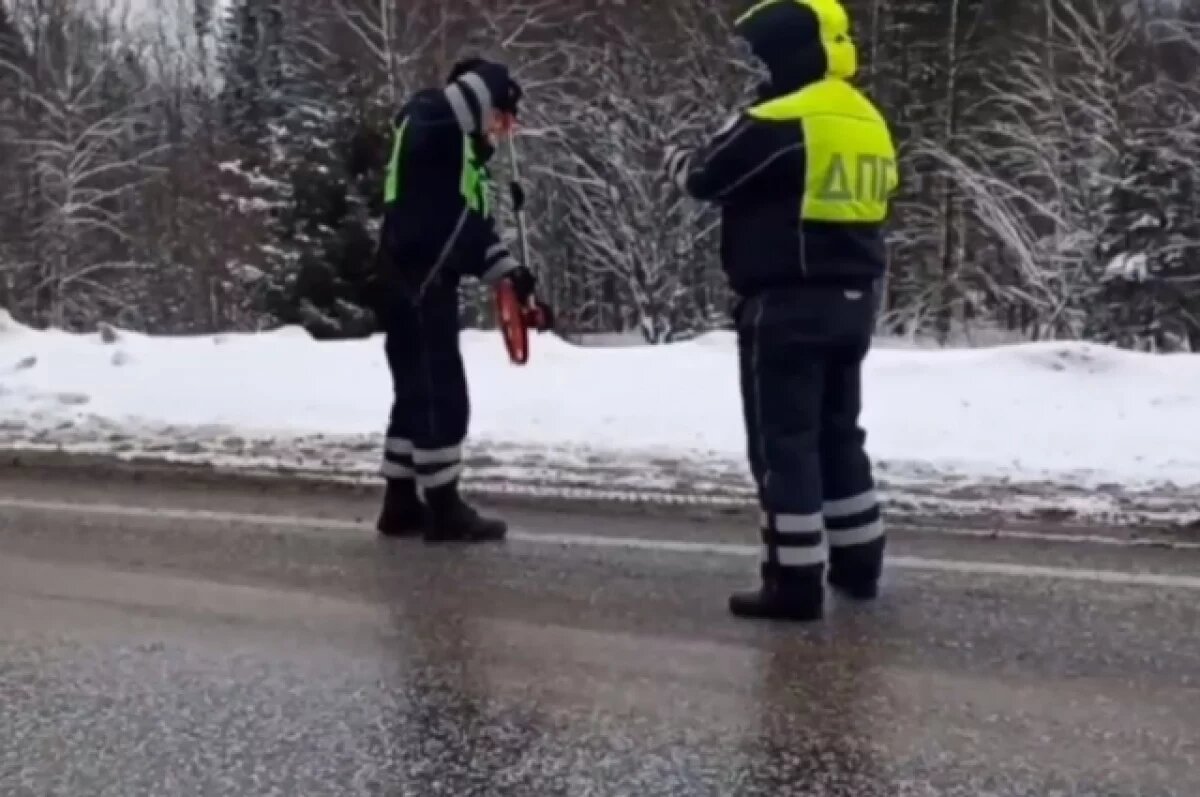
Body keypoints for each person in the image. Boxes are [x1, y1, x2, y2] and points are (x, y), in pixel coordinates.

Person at [663, 0, 898, 620]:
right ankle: (859, 563)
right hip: (855, 301)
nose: (758, 70)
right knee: (839, 433)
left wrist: (677, 160)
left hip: (788, 304)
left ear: (789, 54)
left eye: (763, 57)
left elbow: (706, 176)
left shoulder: (785, 118)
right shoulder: (867, 117)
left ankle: (792, 582)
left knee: (784, 443)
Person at [374, 57, 550, 542]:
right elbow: (453, 223)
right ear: (484, 103)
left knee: (414, 390)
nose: (505, 129)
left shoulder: (435, 129)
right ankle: (444, 505)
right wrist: (504, 267)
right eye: (503, 116)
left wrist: (505, 267)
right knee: (440, 390)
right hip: (422, 278)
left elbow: (460, 215)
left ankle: (400, 500)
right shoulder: (441, 131)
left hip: (403, 274)